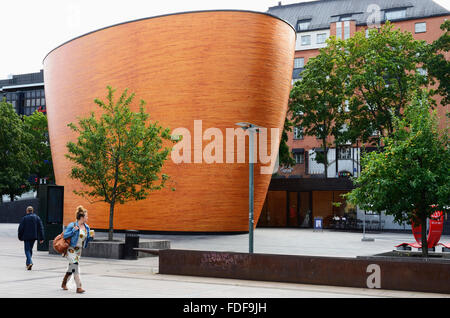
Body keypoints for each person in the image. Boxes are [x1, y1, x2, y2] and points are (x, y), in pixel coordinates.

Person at [61, 205, 94, 293]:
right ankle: (79, 287)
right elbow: (65, 235)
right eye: (86, 216)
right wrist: (73, 231)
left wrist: (91, 237)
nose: (87, 217)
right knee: (75, 266)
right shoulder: (73, 225)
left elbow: (86, 239)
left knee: (72, 267)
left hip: (79, 250)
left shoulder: (87, 227)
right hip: (71, 249)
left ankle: (64, 283)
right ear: (82, 217)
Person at [18, 206, 45, 270]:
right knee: (30, 249)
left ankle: (30, 262)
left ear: (27, 211)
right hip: (33, 237)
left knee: (27, 250)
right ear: (32, 211)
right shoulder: (37, 218)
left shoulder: (24, 218)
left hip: (26, 237)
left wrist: (20, 236)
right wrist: (41, 238)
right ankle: (28, 264)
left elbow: (20, 228)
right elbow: (41, 228)